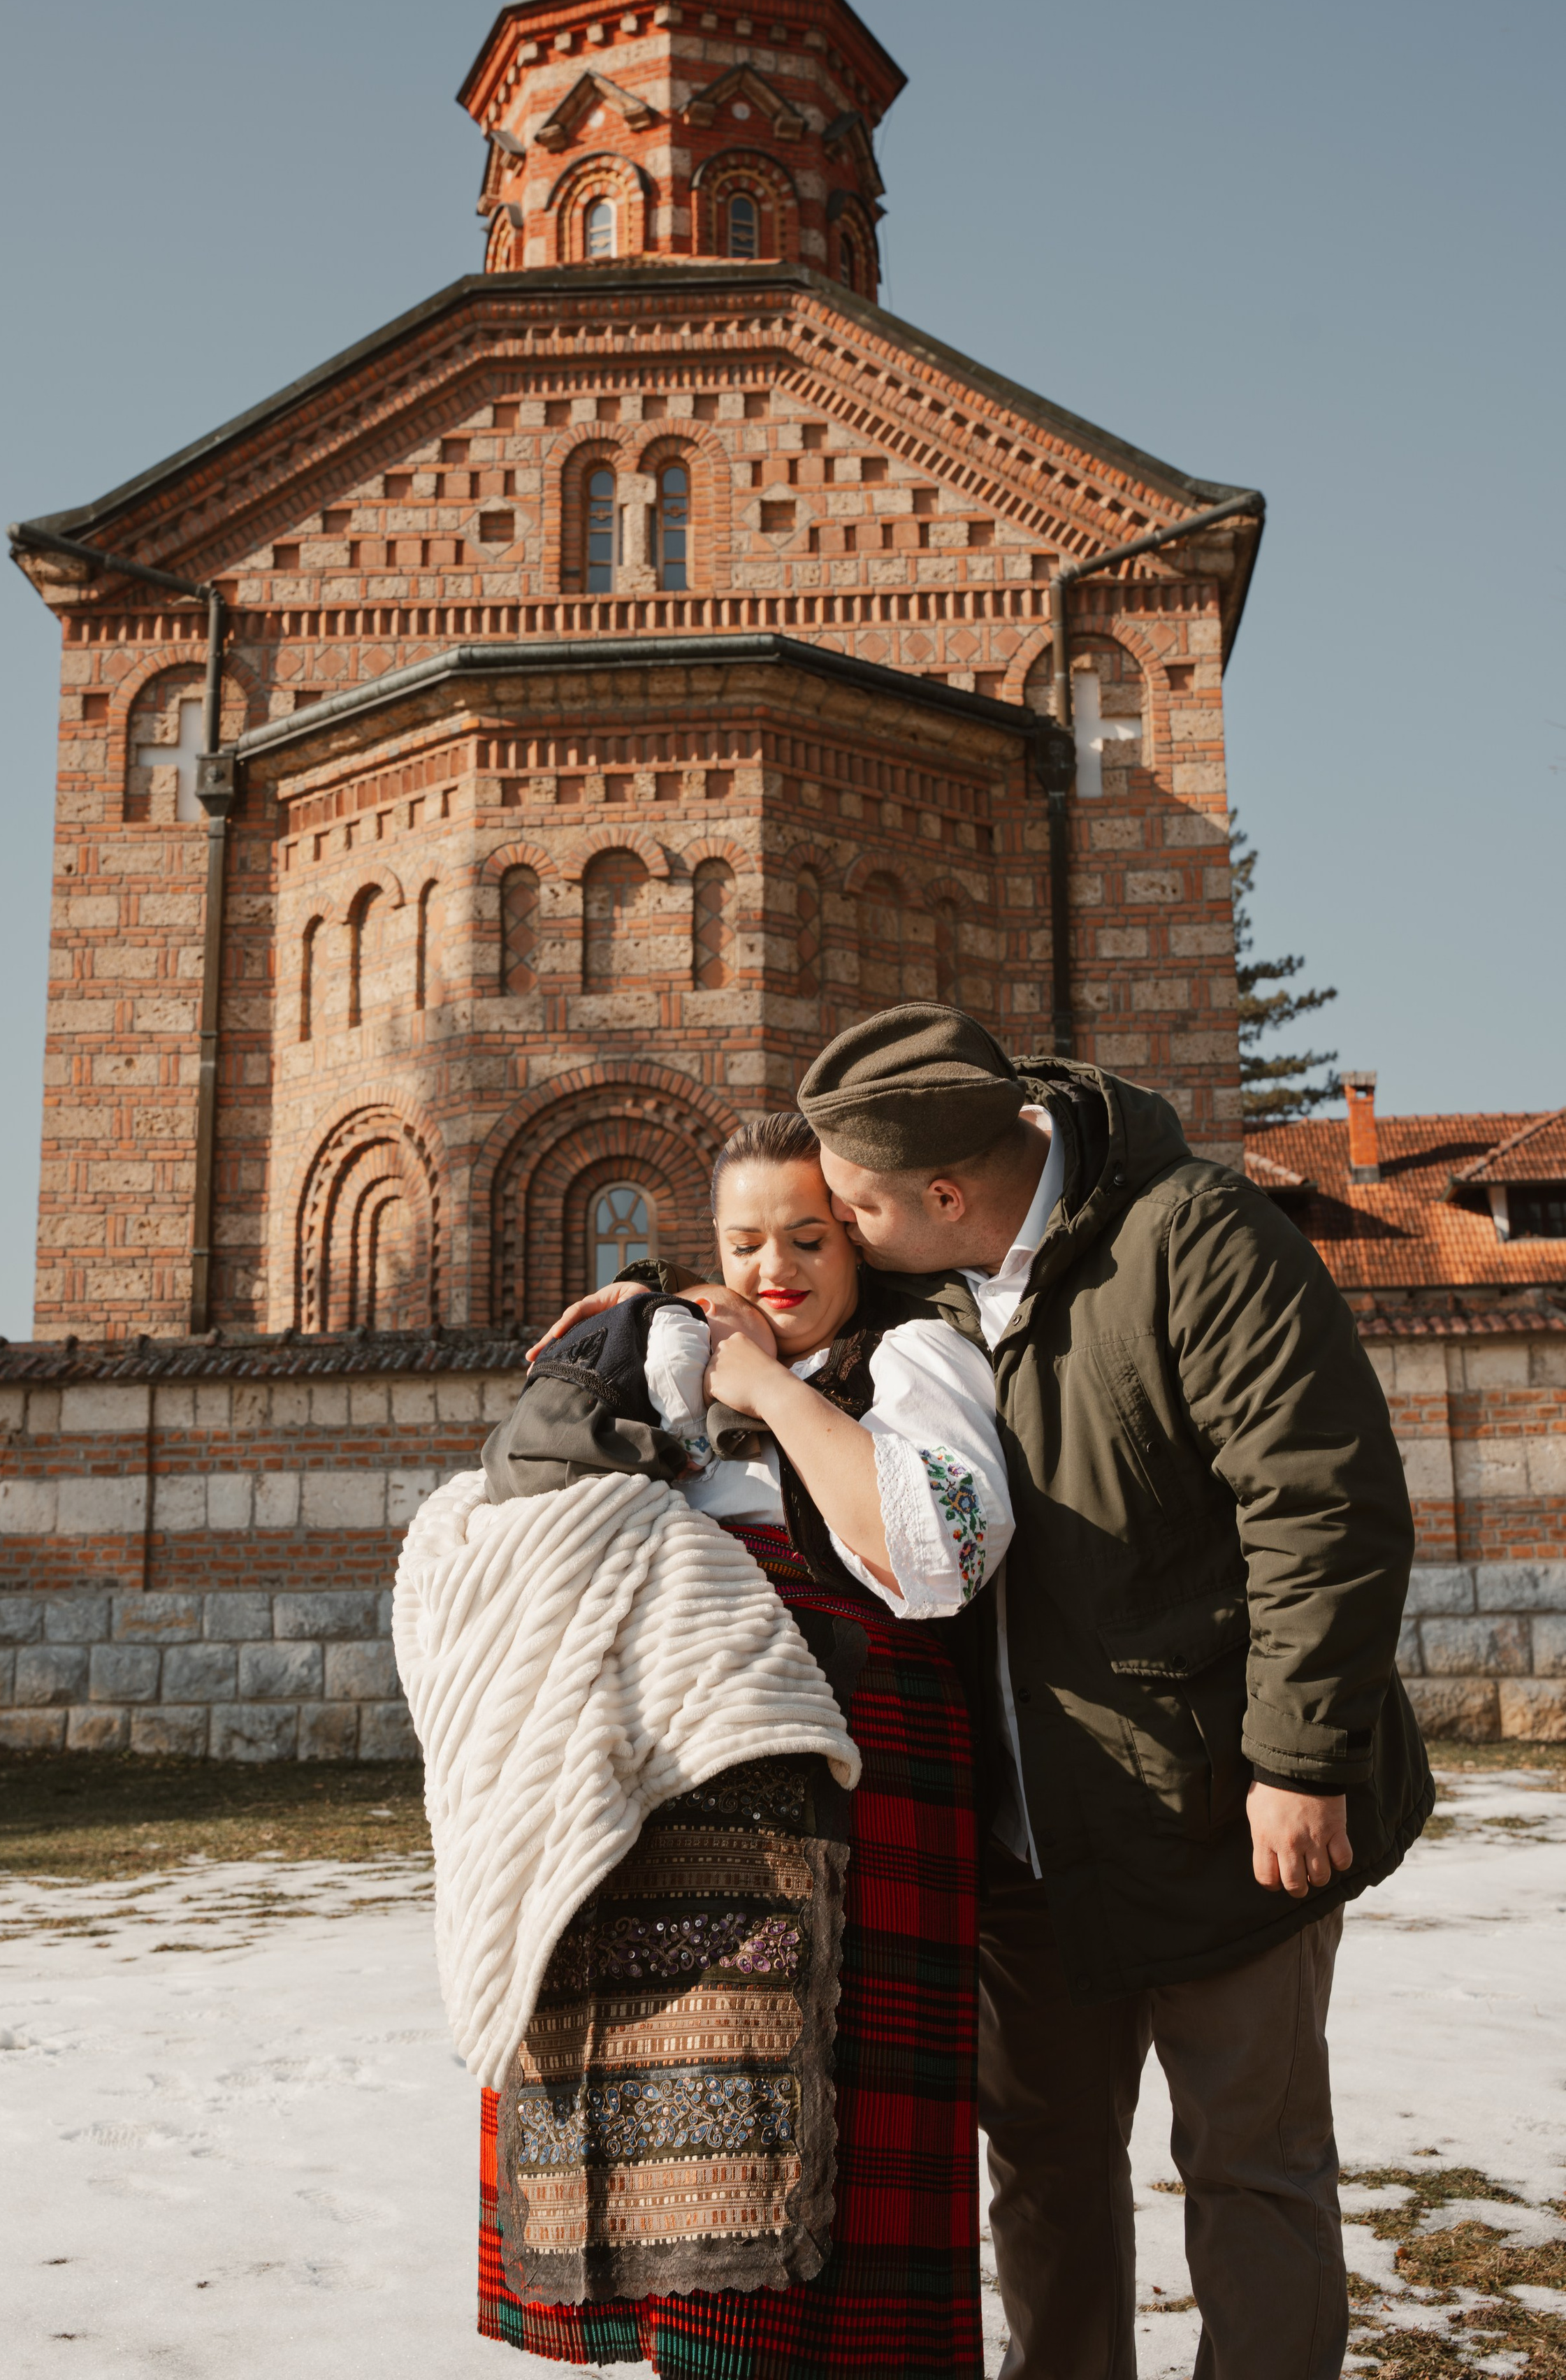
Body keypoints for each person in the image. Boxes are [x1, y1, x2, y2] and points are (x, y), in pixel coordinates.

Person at [535, 1008, 1433, 2380]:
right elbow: (785, 1275)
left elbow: (1325, 1506)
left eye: (853, 1213)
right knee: (1045, 2178)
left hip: (1220, 1808)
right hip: (1025, 1844)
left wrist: (1299, 1761)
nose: (829, 1232)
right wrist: (652, 1293)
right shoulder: (935, 1269)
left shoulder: (1195, 1240)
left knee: (1248, 2172)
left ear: (938, 1199)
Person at [481, 1110, 1013, 2376]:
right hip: (665, 1805)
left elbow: (931, 1556)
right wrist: (637, 1333)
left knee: (823, 2167)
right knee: (681, 2152)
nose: (775, 1267)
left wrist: (764, 1385)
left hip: (856, 1783)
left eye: (807, 1237)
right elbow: (527, 1498)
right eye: (744, 1241)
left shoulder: (914, 1361)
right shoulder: (674, 1355)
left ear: (860, 1240)